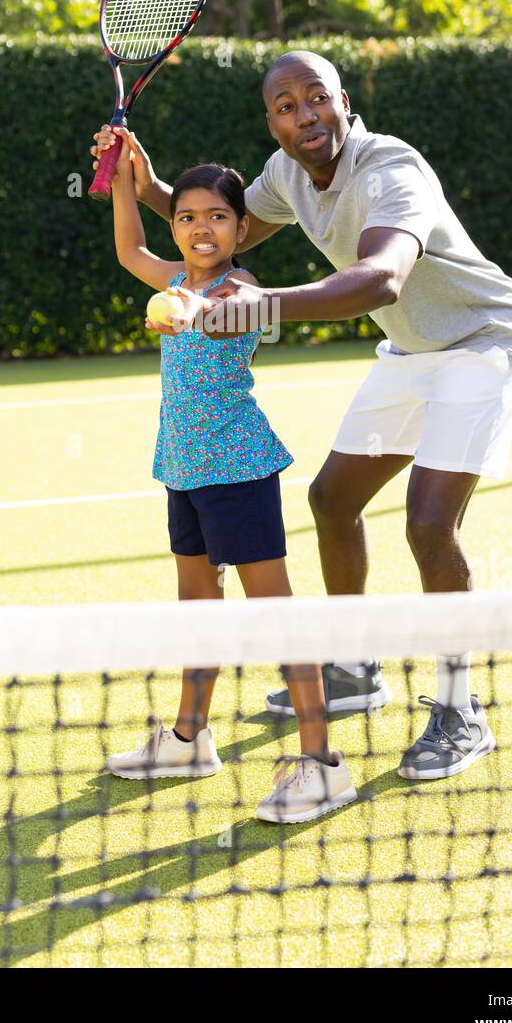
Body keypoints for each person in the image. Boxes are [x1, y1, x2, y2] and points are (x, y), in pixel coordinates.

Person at [91, 50, 512, 782]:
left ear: (343, 101)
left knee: (427, 521)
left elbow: (379, 277)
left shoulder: (391, 170)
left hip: (482, 342)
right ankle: (353, 665)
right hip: (409, 347)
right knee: (331, 499)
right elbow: (217, 226)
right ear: (270, 121)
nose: (305, 116)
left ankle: (459, 708)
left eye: (315, 98)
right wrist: (138, 182)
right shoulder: (283, 176)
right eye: (285, 106)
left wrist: (261, 306)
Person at [100, 124, 356, 822]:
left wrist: (183, 306)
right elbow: (129, 250)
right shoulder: (174, 276)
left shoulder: (239, 285)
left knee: (275, 616)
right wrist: (122, 173)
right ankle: (188, 739)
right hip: (181, 468)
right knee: (197, 610)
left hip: (237, 471)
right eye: (186, 217)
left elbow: (215, 314)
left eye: (216, 216)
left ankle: (322, 765)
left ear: (242, 228)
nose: (200, 229)